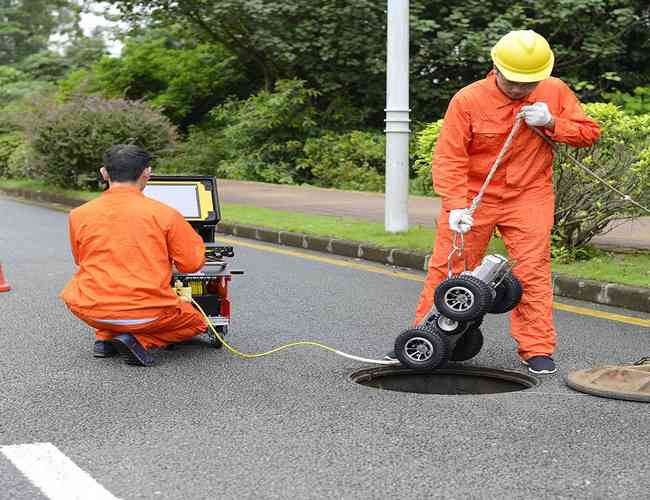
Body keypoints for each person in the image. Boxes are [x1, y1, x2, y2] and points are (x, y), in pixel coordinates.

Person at [387, 30, 600, 374]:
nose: (519, 89)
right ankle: (424, 338)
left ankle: (536, 349)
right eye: (513, 80)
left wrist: (552, 122)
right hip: (474, 198)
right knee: (450, 270)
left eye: (527, 83)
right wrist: (456, 204)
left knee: (532, 272)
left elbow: (588, 133)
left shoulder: (555, 92)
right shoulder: (468, 99)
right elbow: (449, 156)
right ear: (496, 67)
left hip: (529, 196)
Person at [60, 144, 207, 366]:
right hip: (147, 314)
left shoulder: (78, 214)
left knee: (102, 286)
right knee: (197, 323)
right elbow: (192, 264)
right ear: (147, 173)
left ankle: (105, 337)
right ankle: (137, 339)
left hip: (90, 309)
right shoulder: (165, 214)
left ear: (104, 173)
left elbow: (81, 259)